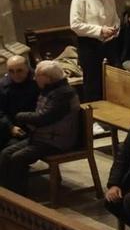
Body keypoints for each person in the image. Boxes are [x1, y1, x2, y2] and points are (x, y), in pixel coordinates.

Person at [0, 61, 83, 194]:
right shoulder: (50, 89)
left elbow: (43, 118)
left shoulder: (62, 94)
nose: (34, 78)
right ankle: (6, 195)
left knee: (18, 158)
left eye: (37, 75)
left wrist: (20, 116)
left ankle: (19, 198)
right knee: (6, 153)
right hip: (42, 136)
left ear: (47, 77)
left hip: (56, 141)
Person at [70, 0, 120, 100]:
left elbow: (115, 19)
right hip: (89, 46)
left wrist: (114, 30)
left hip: (109, 44)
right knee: (93, 84)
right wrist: (100, 30)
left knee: (113, 80)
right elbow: (75, 25)